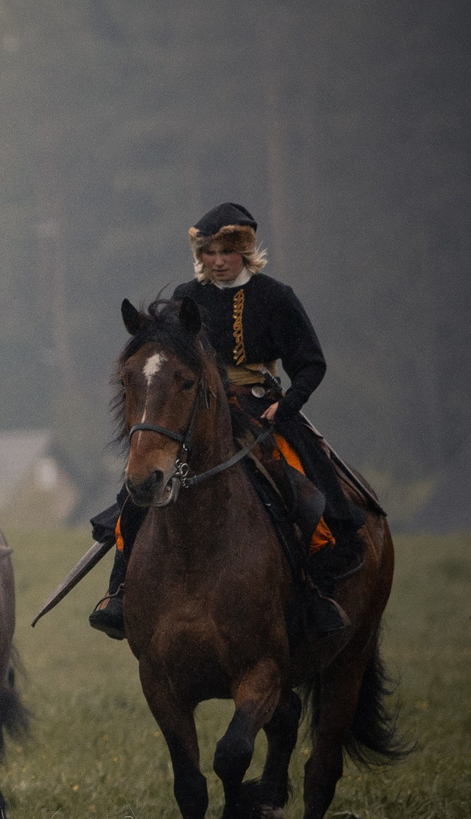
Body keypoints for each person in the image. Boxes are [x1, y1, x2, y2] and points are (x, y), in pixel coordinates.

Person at [87, 201, 357, 639]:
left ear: (245, 251)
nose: (217, 262)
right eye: (208, 253)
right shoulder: (186, 297)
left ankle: (316, 594)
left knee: (304, 490)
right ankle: (118, 592)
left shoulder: (276, 296)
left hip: (261, 408)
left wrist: (287, 405)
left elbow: (311, 364)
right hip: (196, 411)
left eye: (226, 252)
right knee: (134, 494)